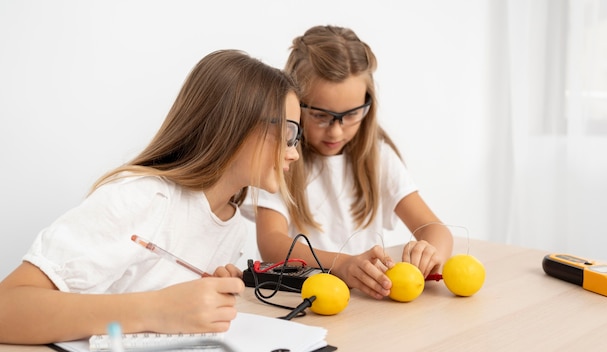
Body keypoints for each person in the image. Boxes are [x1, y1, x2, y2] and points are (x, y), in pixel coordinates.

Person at [0, 49, 302, 344]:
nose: (295, 153)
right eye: (288, 134)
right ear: (236, 125)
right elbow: (7, 309)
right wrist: (157, 309)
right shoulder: (142, 197)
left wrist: (204, 303)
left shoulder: (232, 225)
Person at [243, 25, 453, 300]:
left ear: (368, 104)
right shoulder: (280, 159)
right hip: (302, 302)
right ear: (295, 103)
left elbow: (435, 229)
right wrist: (341, 265)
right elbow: (272, 245)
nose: (336, 131)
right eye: (320, 115)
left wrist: (430, 251)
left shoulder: (378, 157)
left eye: (352, 114)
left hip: (366, 304)